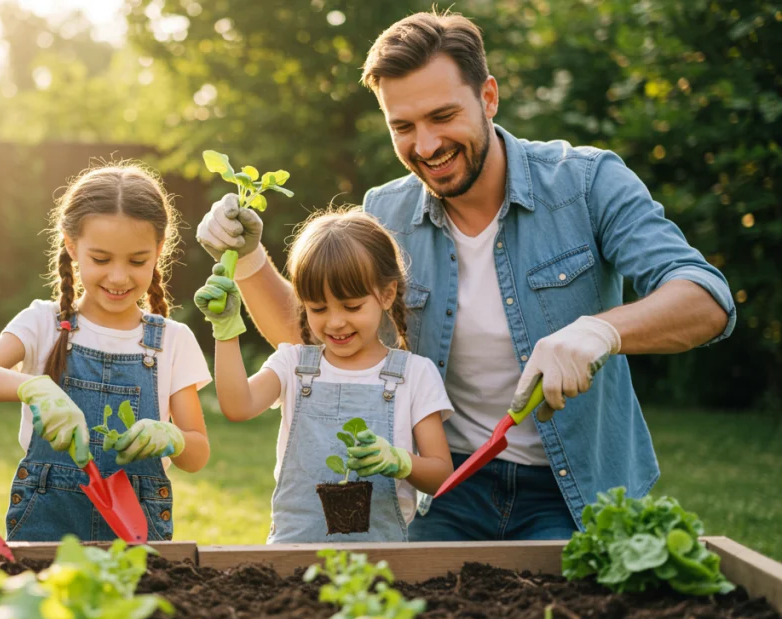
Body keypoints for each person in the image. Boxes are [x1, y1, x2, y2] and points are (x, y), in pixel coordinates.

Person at [194, 11, 735, 541]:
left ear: (489, 98)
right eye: (403, 127)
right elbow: (325, 336)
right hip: (447, 487)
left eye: (442, 116)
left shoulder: (586, 182)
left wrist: (599, 332)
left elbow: (706, 299)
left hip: (573, 492)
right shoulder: (385, 210)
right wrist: (249, 258)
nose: (426, 146)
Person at [0, 164, 210, 542]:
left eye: (137, 261)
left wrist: (174, 438)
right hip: (45, 531)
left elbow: (197, 455)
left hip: (136, 535)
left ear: (159, 250)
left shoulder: (173, 340)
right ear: (72, 247)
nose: (118, 277)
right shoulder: (43, 323)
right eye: (101, 259)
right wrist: (32, 387)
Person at [195, 210, 453, 543]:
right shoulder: (293, 363)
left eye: (351, 306)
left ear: (387, 294)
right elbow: (236, 405)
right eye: (318, 308)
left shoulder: (415, 375)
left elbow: (441, 475)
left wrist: (401, 461)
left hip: (382, 564)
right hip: (293, 557)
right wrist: (226, 329)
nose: (334, 322)